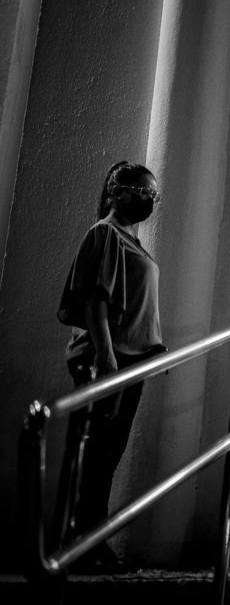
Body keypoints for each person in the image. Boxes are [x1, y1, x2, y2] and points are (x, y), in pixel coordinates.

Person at [56, 161, 167, 574]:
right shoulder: (104, 234)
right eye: (142, 191)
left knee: (107, 455)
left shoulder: (135, 243)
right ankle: (75, 545)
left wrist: (151, 351)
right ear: (117, 190)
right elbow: (94, 299)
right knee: (92, 453)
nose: (149, 200)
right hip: (107, 360)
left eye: (154, 195)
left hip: (131, 362)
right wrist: (105, 357)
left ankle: (90, 541)